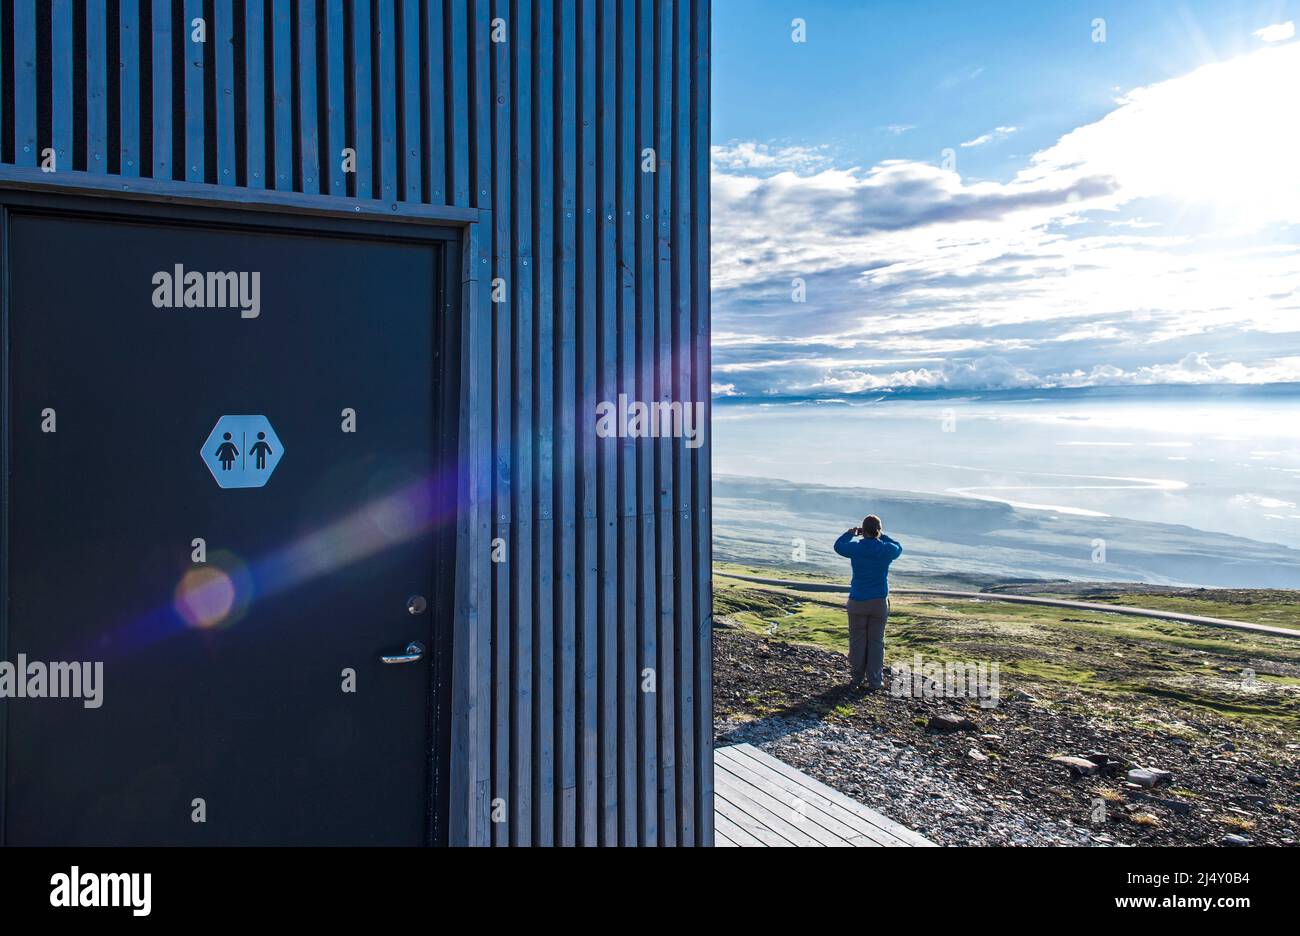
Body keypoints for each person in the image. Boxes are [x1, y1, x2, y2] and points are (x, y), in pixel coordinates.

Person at [833, 515, 903, 692]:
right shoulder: (886, 550)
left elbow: (838, 546)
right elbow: (899, 548)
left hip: (857, 600)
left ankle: (856, 678)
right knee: (876, 642)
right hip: (879, 602)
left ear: (863, 531)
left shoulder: (856, 548)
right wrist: (882, 536)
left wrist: (849, 534)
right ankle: (875, 681)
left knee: (857, 640)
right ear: (878, 530)